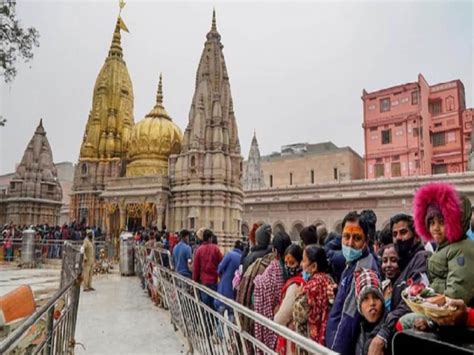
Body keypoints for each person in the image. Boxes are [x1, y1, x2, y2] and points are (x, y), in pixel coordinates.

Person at [368, 213, 430, 355]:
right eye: (395, 234)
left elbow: (412, 300)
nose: (399, 238)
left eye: (403, 232)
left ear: (415, 235)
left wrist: (383, 333)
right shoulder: (405, 263)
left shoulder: (421, 258)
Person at [325, 211, 379, 355]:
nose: (350, 243)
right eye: (346, 236)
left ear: (366, 241)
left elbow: (347, 321)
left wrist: (333, 351)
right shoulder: (353, 263)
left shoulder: (361, 270)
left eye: (356, 238)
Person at [413, 183, 474, 305]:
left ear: (455, 222)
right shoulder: (445, 246)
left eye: (441, 222)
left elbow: (457, 293)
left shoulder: (462, 249)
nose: (435, 228)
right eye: (431, 222)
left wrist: (427, 303)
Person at [253, 231, 292, 350]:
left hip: (273, 324)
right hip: (289, 328)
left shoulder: (272, 271)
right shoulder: (294, 268)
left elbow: (256, 297)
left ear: (274, 251)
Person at [293, 245, 333, 349]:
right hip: (327, 337)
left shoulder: (310, 287)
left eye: (304, 261)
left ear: (314, 266)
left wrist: (297, 296)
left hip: (311, 341)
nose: (301, 264)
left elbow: (298, 315)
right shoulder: (329, 280)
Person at [274, 244, 304, 355]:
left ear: (300, 263)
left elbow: (280, 318)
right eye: (286, 263)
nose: (288, 267)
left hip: (292, 336)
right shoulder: (301, 280)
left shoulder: (294, 285)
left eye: (292, 263)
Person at [354, 269, 387, 355]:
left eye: (376, 297)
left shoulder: (388, 333)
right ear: (359, 306)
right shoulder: (357, 331)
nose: (372, 303)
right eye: (365, 298)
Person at [192, 229, 223, 308]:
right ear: (210, 238)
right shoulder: (216, 249)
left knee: (205, 306)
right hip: (214, 281)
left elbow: (196, 268)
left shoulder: (199, 250)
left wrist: (194, 281)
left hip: (204, 282)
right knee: (213, 307)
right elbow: (221, 263)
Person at [215, 240, 244, 319]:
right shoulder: (242, 258)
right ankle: (230, 331)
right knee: (231, 315)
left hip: (223, 291)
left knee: (220, 318)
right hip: (234, 294)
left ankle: (220, 331)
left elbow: (220, 268)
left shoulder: (230, 254)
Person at [380, 244, 400, 312]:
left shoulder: (405, 289)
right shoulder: (382, 286)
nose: (388, 265)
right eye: (385, 261)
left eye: (393, 260)